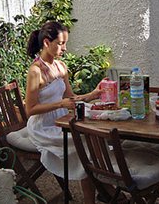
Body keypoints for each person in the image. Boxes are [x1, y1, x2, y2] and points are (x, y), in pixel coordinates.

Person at [25, 21, 101, 203]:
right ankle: (105, 193)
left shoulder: (60, 67)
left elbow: (71, 98)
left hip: (62, 119)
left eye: (65, 43)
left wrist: (93, 94)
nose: (64, 48)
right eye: (60, 44)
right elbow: (30, 110)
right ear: (46, 43)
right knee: (84, 142)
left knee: (93, 133)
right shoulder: (35, 71)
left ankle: (104, 191)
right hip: (43, 126)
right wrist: (60, 104)